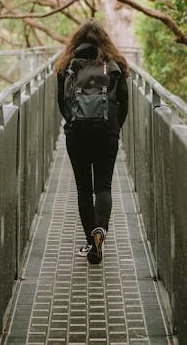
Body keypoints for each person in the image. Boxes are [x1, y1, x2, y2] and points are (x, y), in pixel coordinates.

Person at [55, 19, 129, 265]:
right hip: (106, 132)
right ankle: (101, 230)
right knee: (104, 187)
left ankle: (91, 241)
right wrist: (113, 129)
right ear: (104, 40)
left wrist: (74, 124)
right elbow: (124, 103)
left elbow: (61, 103)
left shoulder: (66, 65)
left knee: (84, 190)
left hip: (77, 133)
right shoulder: (114, 65)